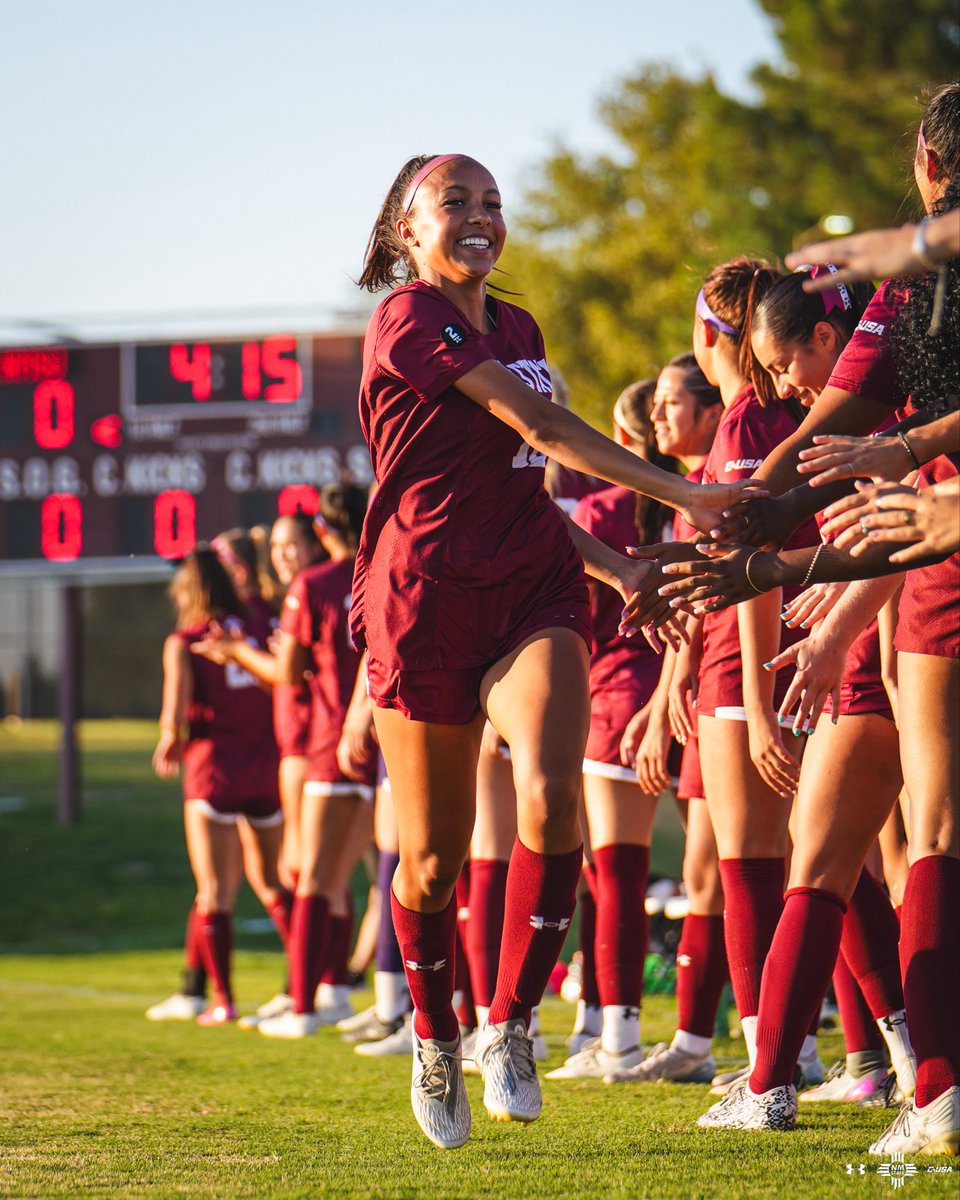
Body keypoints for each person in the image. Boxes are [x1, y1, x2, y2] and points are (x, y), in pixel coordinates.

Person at [352, 152, 756, 1149]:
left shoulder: (518, 326)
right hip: (426, 598)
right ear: (407, 229)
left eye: (493, 201)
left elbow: (526, 479)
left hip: (533, 583)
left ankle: (512, 1023)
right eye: (457, 202)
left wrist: (616, 568)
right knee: (436, 863)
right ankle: (436, 1034)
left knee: (549, 792)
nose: (482, 215)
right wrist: (688, 496)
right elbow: (539, 420)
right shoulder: (407, 316)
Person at [658, 84, 960, 1156]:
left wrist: (814, 615)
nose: (783, 381)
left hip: (911, 603)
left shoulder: (913, 297)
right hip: (891, 604)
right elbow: (866, 477)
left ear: (928, 170)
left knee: (894, 845)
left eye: (787, 360)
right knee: (842, 854)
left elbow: (898, 505)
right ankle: (839, 1069)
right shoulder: (889, 329)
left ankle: (903, 1084)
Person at [684, 267, 916, 1131]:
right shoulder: (894, 388)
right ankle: (891, 1063)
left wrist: (830, 629)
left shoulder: (857, 403)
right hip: (874, 647)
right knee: (893, 859)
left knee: (823, 863)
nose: (789, 387)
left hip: (878, 655)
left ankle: (782, 1077)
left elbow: (909, 536)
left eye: (791, 365)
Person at [192, 486, 375, 1038]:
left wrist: (236, 652)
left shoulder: (312, 587)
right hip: (377, 742)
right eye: (274, 545)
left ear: (321, 535)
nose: (281, 554)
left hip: (322, 742)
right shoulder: (379, 573)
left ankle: (306, 1002)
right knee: (356, 877)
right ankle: (340, 990)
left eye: (290, 542)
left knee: (310, 877)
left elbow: (290, 671)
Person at [547, 377, 677, 1080]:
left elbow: (576, 617)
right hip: (699, 693)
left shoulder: (598, 507)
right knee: (738, 875)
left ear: (618, 444)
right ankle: (794, 1043)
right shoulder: (699, 496)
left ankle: (617, 1037)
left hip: (621, 701)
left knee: (614, 876)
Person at [607, 353, 730, 1085]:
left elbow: (738, 598)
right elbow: (689, 617)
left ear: (712, 412)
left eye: (666, 406)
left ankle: (838, 1050)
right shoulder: (687, 492)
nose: (655, 423)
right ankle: (695, 1040)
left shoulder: (732, 465)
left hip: (749, 691)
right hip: (704, 693)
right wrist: (664, 702)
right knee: (709, 874)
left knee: (824, 868)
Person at [149, 548, 286, 1024]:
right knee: (272, 883)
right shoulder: (253, 627)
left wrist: (168, 740)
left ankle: (223, 1000)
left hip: (214, 776)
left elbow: (175, 714)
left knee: (213, 892)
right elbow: (282, 684)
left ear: (187, 589)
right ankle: (307, 983)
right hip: (266, 771)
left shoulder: (185, 641)